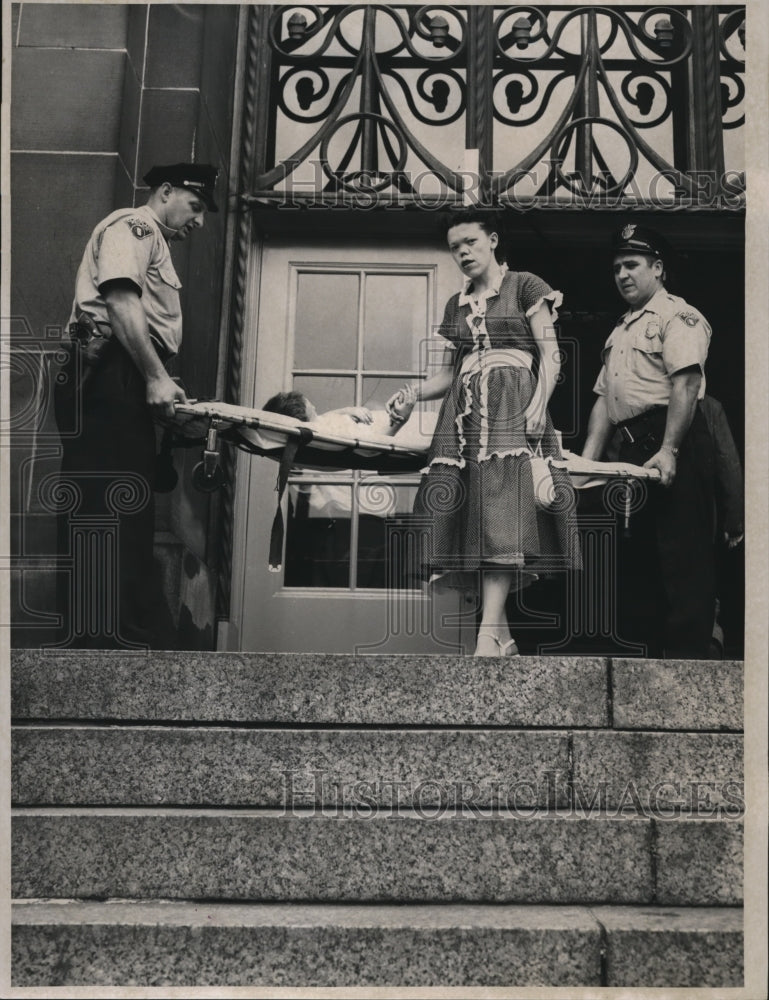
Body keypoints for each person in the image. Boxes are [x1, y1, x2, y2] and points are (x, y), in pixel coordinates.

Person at [386, 210, 579, 657]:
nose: (463, 253)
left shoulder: (525, 286)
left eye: (470, 242)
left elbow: (551, 355)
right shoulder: (458, 304)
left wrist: (538, 404)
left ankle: (487, 634)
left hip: (514, 405)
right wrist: (414, 392)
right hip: (465, 417)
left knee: (501, 516)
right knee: (476, 517)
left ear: (492, 240)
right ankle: (503, 636)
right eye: (455, 247)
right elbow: (446, 375)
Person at [54, 162, 219, 648]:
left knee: (121, 505)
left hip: (120, 372)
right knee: (105, 502)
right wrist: (152, 375)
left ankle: (118, 629)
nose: (200, 221)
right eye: (195, 206)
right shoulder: (136, 225)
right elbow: (121, 302)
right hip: (109, 369)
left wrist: (158, 379)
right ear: (165, 191)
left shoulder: (154, 239)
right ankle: (103, 634)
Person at [580, 224, 716, 659]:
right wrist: (586, 466)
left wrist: (670, 449)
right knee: (636, 555)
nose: (622, 274)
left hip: (671, 437)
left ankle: (690, 670)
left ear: (657, 268)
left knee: (680, 555)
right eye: (617, 267)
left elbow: (687, 383)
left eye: (632, 265)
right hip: (630, 448)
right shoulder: (619, 331)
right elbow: (604, 401)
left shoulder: (679, 316)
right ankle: (645, 666)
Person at [262, 389, 418, 586]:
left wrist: (345, 410)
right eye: (314, 410)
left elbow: (321, 421)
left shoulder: (309, 440)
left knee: (351, 577)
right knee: (370, 578)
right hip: (363, 516)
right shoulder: (326, 434)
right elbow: (371, 450)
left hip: (349, 516)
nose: (323, 415)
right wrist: (399, 420)